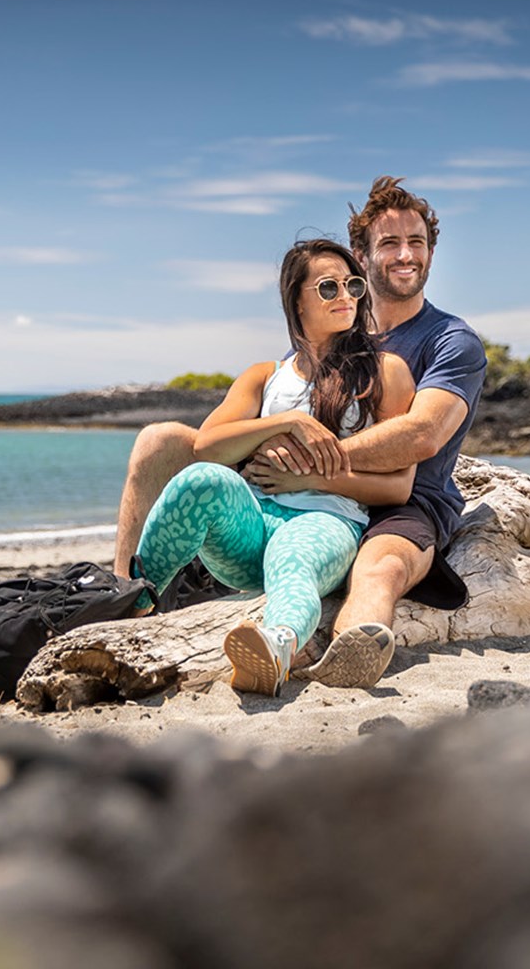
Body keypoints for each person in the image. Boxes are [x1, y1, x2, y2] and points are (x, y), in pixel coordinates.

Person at [115, 176, 487, 688]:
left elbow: (419, 437)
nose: (405, 255)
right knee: (168, 448)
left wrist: (305, 467)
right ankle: (122, 595)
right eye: (389, 244)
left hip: (399, 506)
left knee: (370, 569)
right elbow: (211, 444)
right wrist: (286, 429)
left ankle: (334, 648)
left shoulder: (436, 346)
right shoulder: (297, 358)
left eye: (416, 243)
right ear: (361, 255)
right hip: (268, 508)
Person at [129, 237, 415, 695]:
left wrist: (313, 477)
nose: (345, 297)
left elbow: (399, 487)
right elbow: (206, 446)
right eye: (328, 288)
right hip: (252, 528)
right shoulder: (264, 376)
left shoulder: (385, 371)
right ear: (296, 301)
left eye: (353, 285)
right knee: (201, 480)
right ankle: (132, 601)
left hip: (326, 521)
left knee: (292, 558)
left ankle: (275, 647)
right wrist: (287, 422)